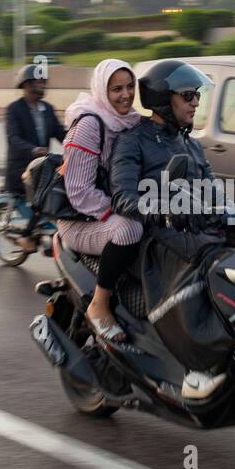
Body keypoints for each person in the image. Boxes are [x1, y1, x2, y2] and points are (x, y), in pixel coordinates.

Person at [109, 59, 230, 400]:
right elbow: (123, 196)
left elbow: (213, 189)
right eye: (188, 96)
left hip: (194, 230)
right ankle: (196, 366)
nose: (195, 102)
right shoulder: (133, 142)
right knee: (201, 262)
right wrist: (158, 208)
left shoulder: (190, 144)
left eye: (197, 96)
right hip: (155, 237)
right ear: (164, 99)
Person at [56, 58, 144, 341]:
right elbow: (79, 192)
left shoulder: (129, 122)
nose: (126, 95)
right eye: (116, 89)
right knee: (130, 230)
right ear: (101, 90)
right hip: (81, 220)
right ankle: (99, 304)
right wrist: (125, 210)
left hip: (112, 211)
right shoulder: (90, 125)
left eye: (130, 86)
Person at [3, 62, 65, 198]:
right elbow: (14, 139)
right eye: (39, 82)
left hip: (42, 170)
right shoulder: (14, 109)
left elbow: (60, 133)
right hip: (21, 172)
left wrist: (77, 143)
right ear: (26, 85)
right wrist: (34, 150)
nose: (43, 85)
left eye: (44, 82)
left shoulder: (48, 109)